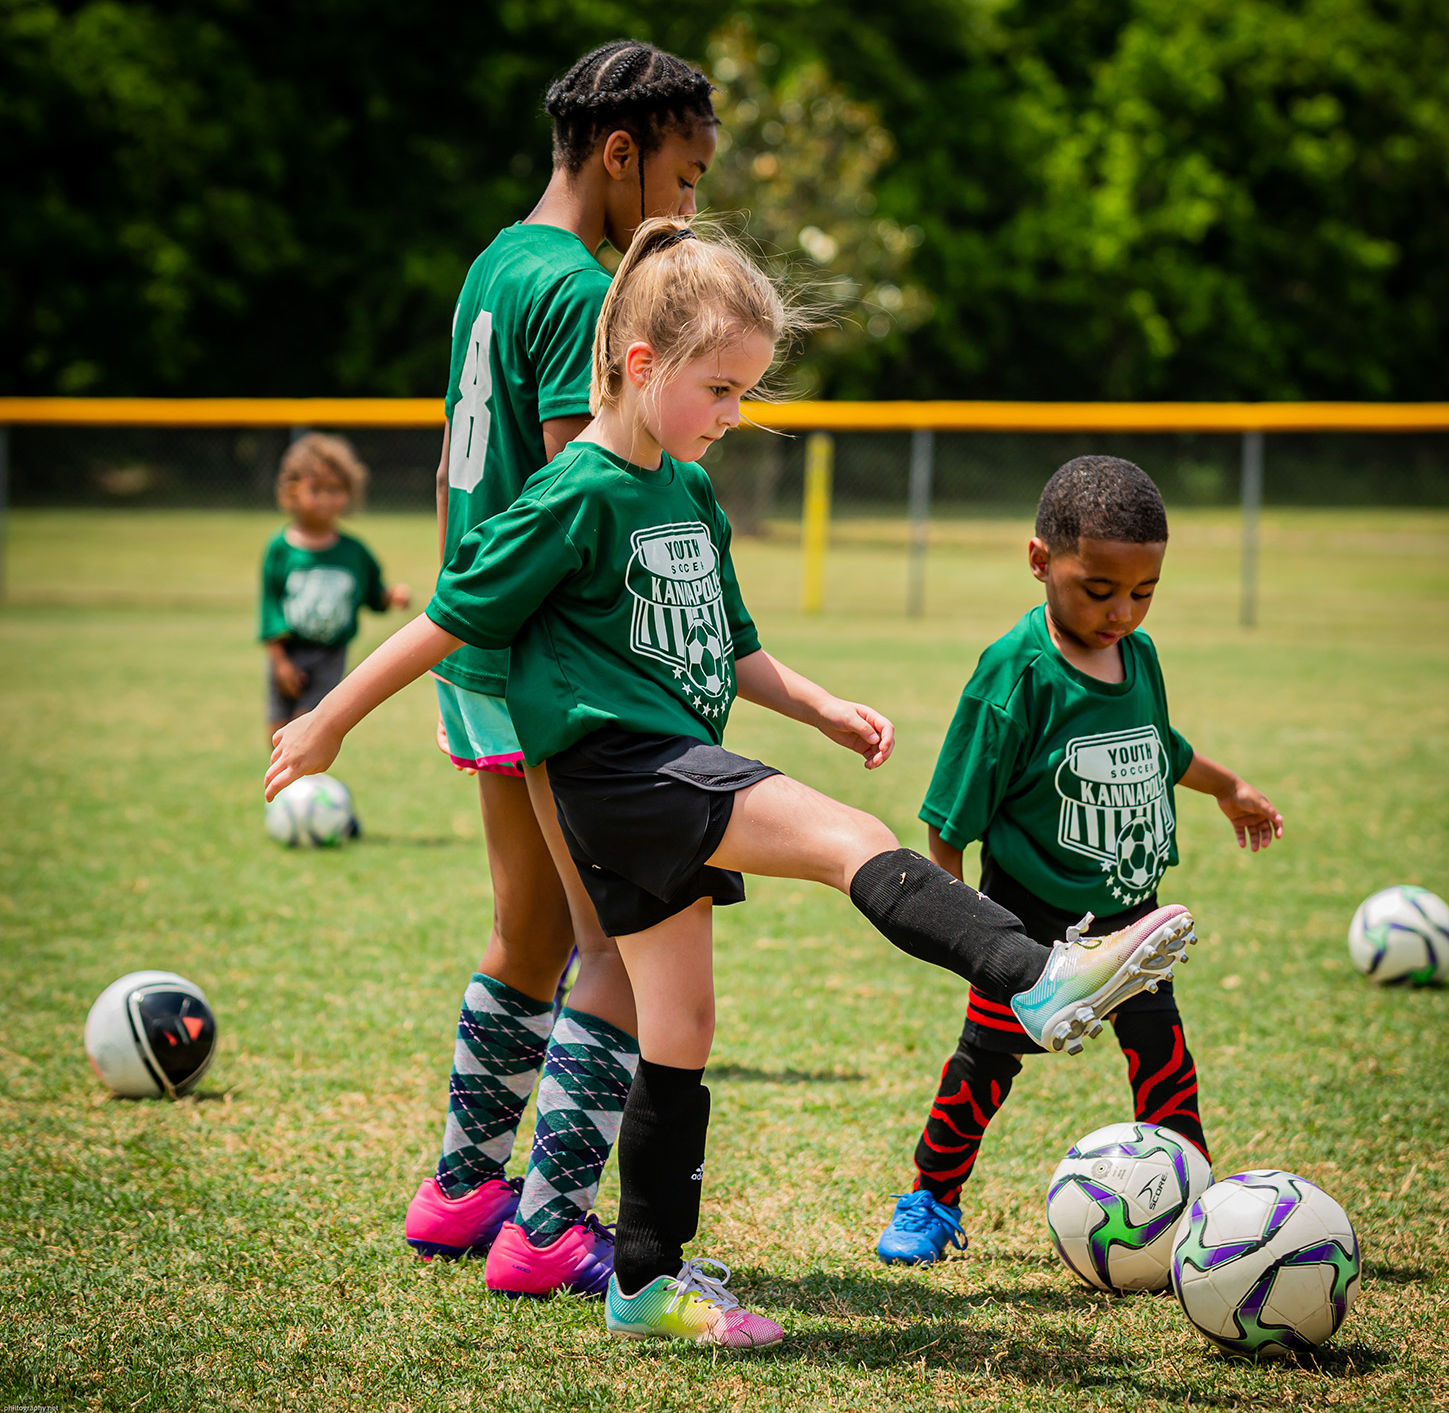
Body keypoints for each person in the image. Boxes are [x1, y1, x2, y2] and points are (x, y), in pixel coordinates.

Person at [267, 222, 1200, 1349]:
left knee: (683, 1025)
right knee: (843, 834)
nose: (734, 416)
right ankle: (1037, 974)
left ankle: (644, 1285)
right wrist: (324, 721)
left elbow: (731, 649)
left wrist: (819, 706)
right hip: (621, 772)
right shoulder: (571, 495)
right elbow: (445, 619)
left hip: (654, 776)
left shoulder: (692, 497)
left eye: (749, 392)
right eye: (721, 389)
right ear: (642, 365)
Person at [403, 41, 725, 1302]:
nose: (688, 213)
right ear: (621, 154)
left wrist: (462, 629)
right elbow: (584, 486)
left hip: (479, 641)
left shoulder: (494, 261)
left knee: (526, 931)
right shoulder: (583, 289)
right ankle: (547, 1230)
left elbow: (450, 474)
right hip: (552, 664)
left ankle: (465, 1190)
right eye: (685, 182)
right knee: (611, 947)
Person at [874, 456, 1283, 1268]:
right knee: (985, 1065)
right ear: (1039, 562)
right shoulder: (1017, 672)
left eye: (1144, 591)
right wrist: (968, 933)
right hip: (1029, 922)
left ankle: (1193, 1204)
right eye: (1099, 590)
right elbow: (949, 815)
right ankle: (929, 1198)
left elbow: (1158, 746)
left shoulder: (1141, 657)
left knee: (1164, 1057)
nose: (1122, 611)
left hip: (1134, 917)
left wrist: (1226, 785)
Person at [260, 432, 410, 746]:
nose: (327, 498)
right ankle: (281, 793)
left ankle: (305, 791)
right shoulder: (280, 548)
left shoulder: (354, 551)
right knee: (276, 729)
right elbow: (270, 606)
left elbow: (372, 594)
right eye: (316, 489)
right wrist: (280, 662)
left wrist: (390, 596)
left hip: (331, 655)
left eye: (336, 490)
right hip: (289, 651)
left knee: (306, 727)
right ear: (291, 491)